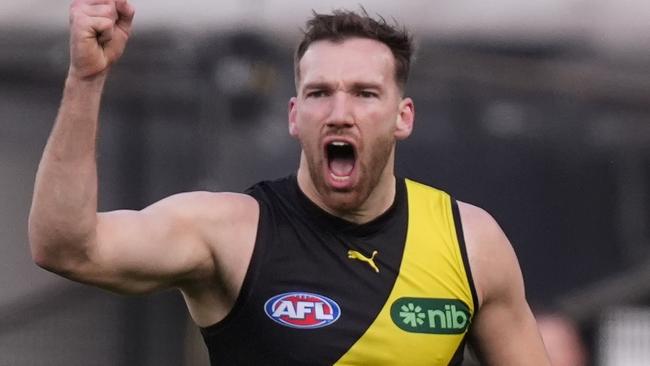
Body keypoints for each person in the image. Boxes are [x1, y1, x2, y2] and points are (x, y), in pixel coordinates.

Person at [28, 0, 551, 364]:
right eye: (321, 93)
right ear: (294, 115)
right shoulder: (231, 232)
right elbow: (67, 247)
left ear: (403, 116)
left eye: (366, 94)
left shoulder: (471, 242)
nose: (340, 113)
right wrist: (86, 79)